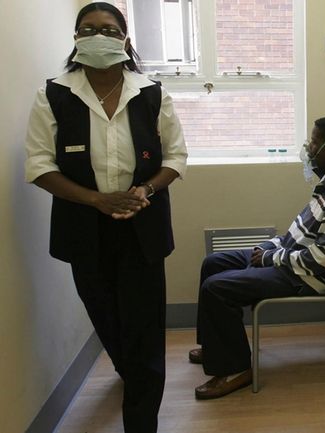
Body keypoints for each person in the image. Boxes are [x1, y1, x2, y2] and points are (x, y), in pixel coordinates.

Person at [24, 3, 187, 432]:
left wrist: (145, 189)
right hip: (84, 230)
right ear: (76, 38)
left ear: (125, 39)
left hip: (143, 224)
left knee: (144, 326)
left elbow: (176, 157)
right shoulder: (54, 94)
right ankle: (130, 372)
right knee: (107, 317)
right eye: (89, 29)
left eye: (109, 29)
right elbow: (40, 167)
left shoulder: (151, 92)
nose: (99, 35)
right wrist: (96, 200)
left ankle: (141, 419)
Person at [189, 115, 325, 400]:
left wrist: (271, 258)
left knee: (217, 288)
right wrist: (267, 247)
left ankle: (236, 369)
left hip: (310, 276)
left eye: (314, 142)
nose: (309, 148)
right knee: (213, 264)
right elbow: (297, 233)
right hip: (293, 260)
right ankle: (216, 347)